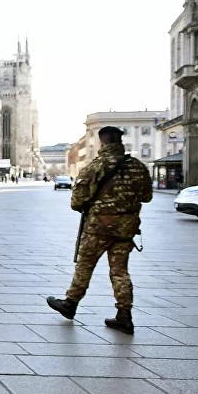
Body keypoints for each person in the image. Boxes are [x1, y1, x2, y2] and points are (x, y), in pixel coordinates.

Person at [46, 126, 153, 335]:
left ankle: (70, 304)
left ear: (102, 142)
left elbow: (77, 202)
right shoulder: (137, 167)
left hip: (98, 228)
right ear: (120, 142)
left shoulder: (95, 167)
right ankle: (124, 316)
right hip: (125, 230)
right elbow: (147, 196)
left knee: (85, 266)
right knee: (120, 271)